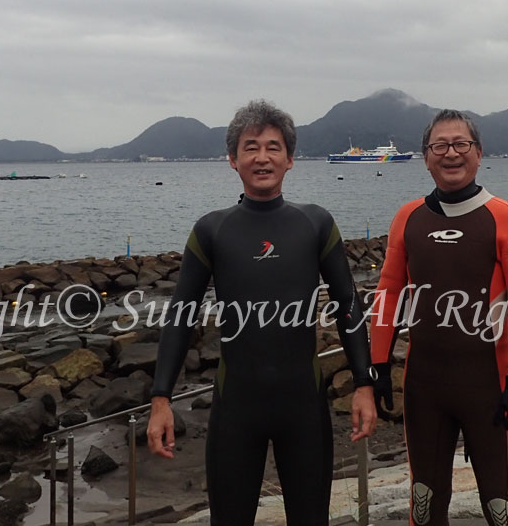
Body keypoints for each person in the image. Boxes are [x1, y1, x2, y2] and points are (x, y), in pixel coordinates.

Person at [147, 99, 377, 526]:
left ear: (290, 159)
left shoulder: (316, 225)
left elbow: (348, 306)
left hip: (303, 409)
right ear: (232, 159)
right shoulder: (211, 230)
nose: (262, 157)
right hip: (236, 410)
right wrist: (160, 399)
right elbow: (181, 315)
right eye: (250, 147)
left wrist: (364, 384)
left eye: (273, 147)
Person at [369, 109, 508, 526]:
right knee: (423, 505)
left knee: (502, 509)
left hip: (489, 386)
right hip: (424, 385)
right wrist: (376, 365)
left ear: (478, 153)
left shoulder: (505, 217)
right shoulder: (407, 219)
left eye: (461, 144)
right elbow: (389, 293)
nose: (451, 154)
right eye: (439, 146)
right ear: (426, 157)